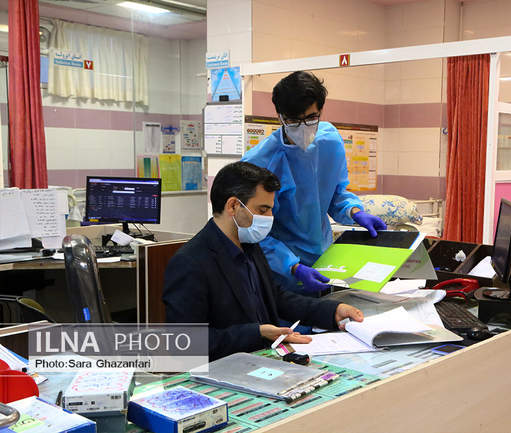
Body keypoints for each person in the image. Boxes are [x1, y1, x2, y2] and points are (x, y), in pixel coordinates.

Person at [163, 161, 363, 360]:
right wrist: (256, 333)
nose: (270, 217)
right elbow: (184, 343)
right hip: (224, 369)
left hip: (263, 360)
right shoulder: (190, 262)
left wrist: (332, 311)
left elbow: (276, 297)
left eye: (270, 210)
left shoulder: (250, 245)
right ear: (233, 205)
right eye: (262, 210)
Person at [242, 71, 386, 294]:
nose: (303, 127)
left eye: (311, 118)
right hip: (280, 271)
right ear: (279, 116)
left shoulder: (330, 141)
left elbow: (336, 194)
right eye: (292, 120)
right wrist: (292, 266)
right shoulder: (258, 163)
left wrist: (354, 212)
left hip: (326, 259)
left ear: (320, 111)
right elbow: (255, 232)